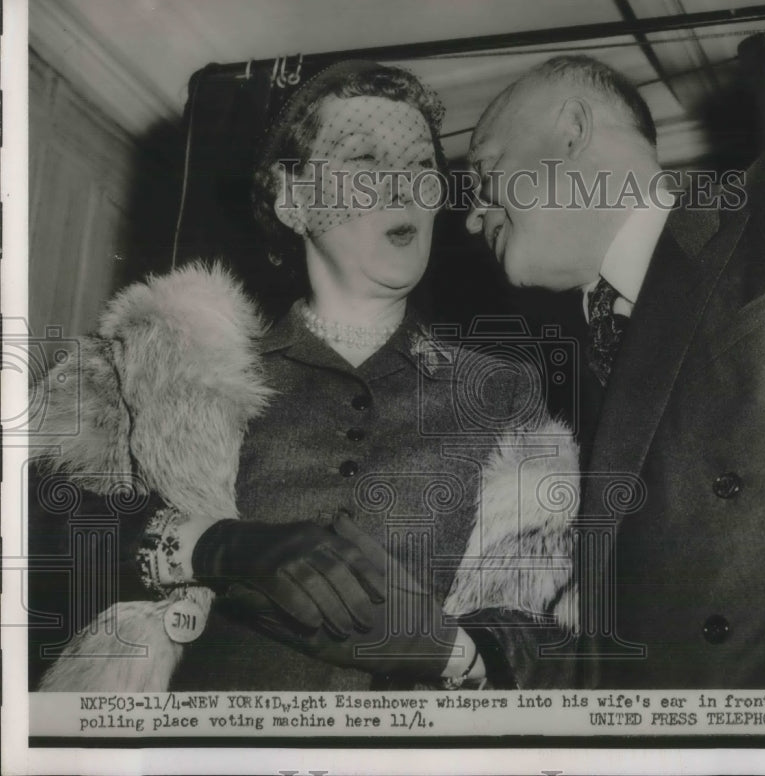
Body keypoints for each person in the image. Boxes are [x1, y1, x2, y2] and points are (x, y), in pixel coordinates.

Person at [29, 61, 577, 692]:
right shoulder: (166, 361)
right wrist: (218, 547)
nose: (403, 188)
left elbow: (550, 623)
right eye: (366, 160)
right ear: (293, 200)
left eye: (422, 167)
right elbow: (35, 527)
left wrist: (454, 651)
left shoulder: (503, 396)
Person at [464, 55, 765, 689]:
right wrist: (458, 650)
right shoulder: (568, 382)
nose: (472, 217)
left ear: (573, 131)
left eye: (486, 174)